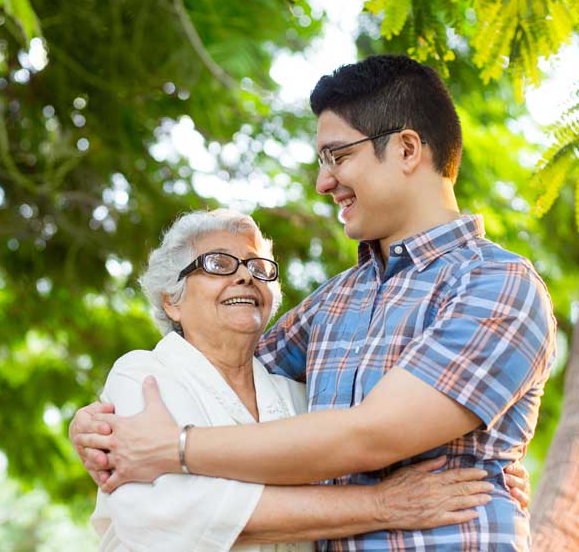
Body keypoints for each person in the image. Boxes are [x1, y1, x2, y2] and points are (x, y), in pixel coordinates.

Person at [75, 55, 556, 551]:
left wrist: (171, 447)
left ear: (407, 149)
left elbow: (372, 437)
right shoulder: (332, 303)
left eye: (337, 156)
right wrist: (100, 425)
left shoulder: (496, 284)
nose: (324, 182)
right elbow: (223, 378)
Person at [91, 208, 504, 551]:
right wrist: (382, 505)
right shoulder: (143, 375)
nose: (245, 276)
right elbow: (173, 511)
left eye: (259, 267)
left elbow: (355, 457)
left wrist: (489, 467)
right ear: (171, 300)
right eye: (218, 264)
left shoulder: (297, 396)